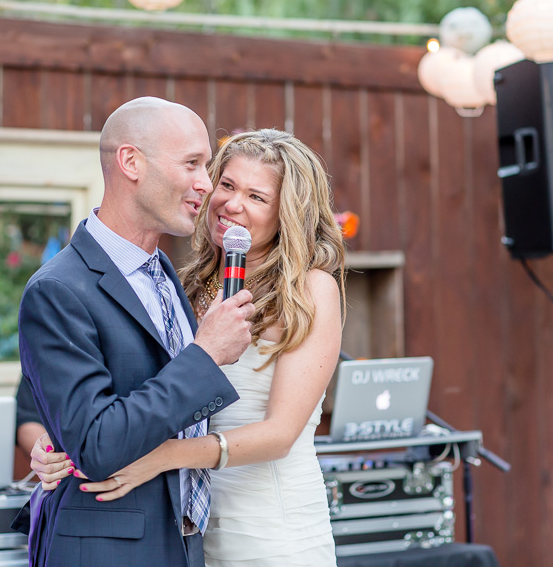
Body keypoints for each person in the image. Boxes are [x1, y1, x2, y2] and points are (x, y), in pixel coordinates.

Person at [33, 129, 347, 566]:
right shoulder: (181, 284)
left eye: (257, 197)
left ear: (286, 214)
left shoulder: (311, 290)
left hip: (269, 529)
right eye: (227, 185)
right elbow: (146, 393)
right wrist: (62, 442)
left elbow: (280, 435)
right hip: (186, 530)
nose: (232, 204)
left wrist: (162, 458)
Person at [18, 97, 256, 567]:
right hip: (107, 549)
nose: (206, 185)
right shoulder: (58, 290)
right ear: (131, 162)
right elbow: (95, 444)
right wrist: (205, 356)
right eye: (192, 163)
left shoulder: (165, 272)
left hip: (180, 544)